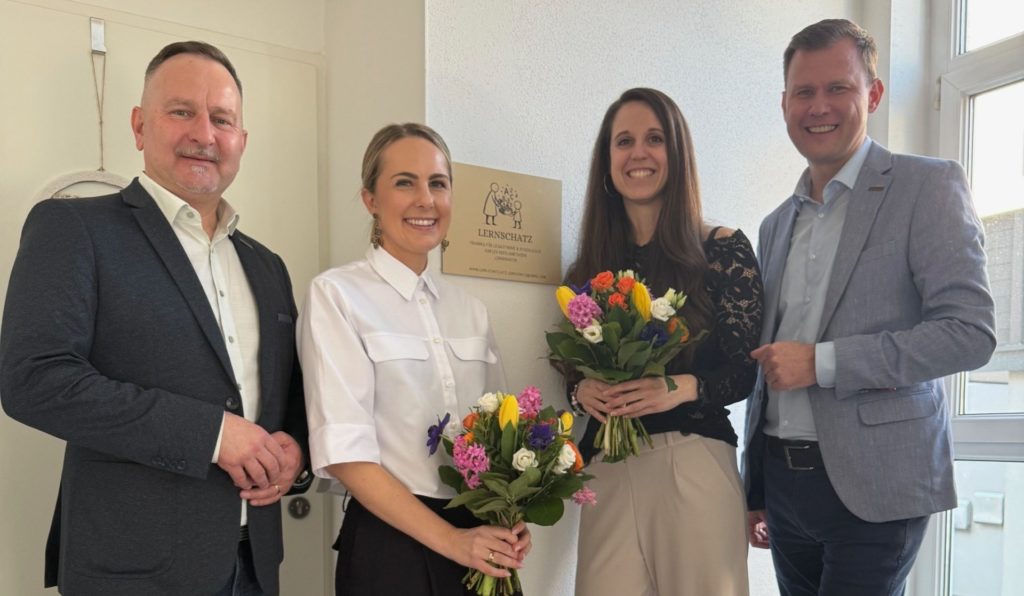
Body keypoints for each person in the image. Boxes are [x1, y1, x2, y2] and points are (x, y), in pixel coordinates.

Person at [0, 41, 310, 596]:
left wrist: (294, 452)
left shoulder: (268, 266)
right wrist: (212, 434)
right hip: (131, 571)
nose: (204, 134)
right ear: (140, 126)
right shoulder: (73, 229)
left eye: (222, 119)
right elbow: (34, 380)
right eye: (182, 111)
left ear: (241, 141)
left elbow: (282, 400)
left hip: (254, 565)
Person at [743, 19, 997, 595]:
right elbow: (767, 368)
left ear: (874, 94)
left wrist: (823, 362)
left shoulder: (927, 186)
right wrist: (755, 482)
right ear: (784, 104)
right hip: (783, 486)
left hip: (879, 484)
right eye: (804, 92)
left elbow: (969, 333)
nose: (819, 106)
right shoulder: (774, 225)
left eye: (838, 88)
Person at [298, 123, 531, 595]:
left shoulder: (471, 310)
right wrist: (453, 542)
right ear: (371, 199)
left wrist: (511, 514)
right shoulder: (337, 296)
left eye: (438, 184)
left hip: (478, 539)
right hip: (390, 545)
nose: (426, 200)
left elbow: (501, 434)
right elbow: (345, 454)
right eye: (405, 183)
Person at [561, 87, 762, 596]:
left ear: (677, 152)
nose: (639, 153)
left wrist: (678, 387)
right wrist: (581, 393)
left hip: (691, 458)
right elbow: (571, 373)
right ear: (607, 160)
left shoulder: (722, 250)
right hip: (607, 469)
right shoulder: (588, 270)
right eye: (623, 141)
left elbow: (746, 370)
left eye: (654, 139)